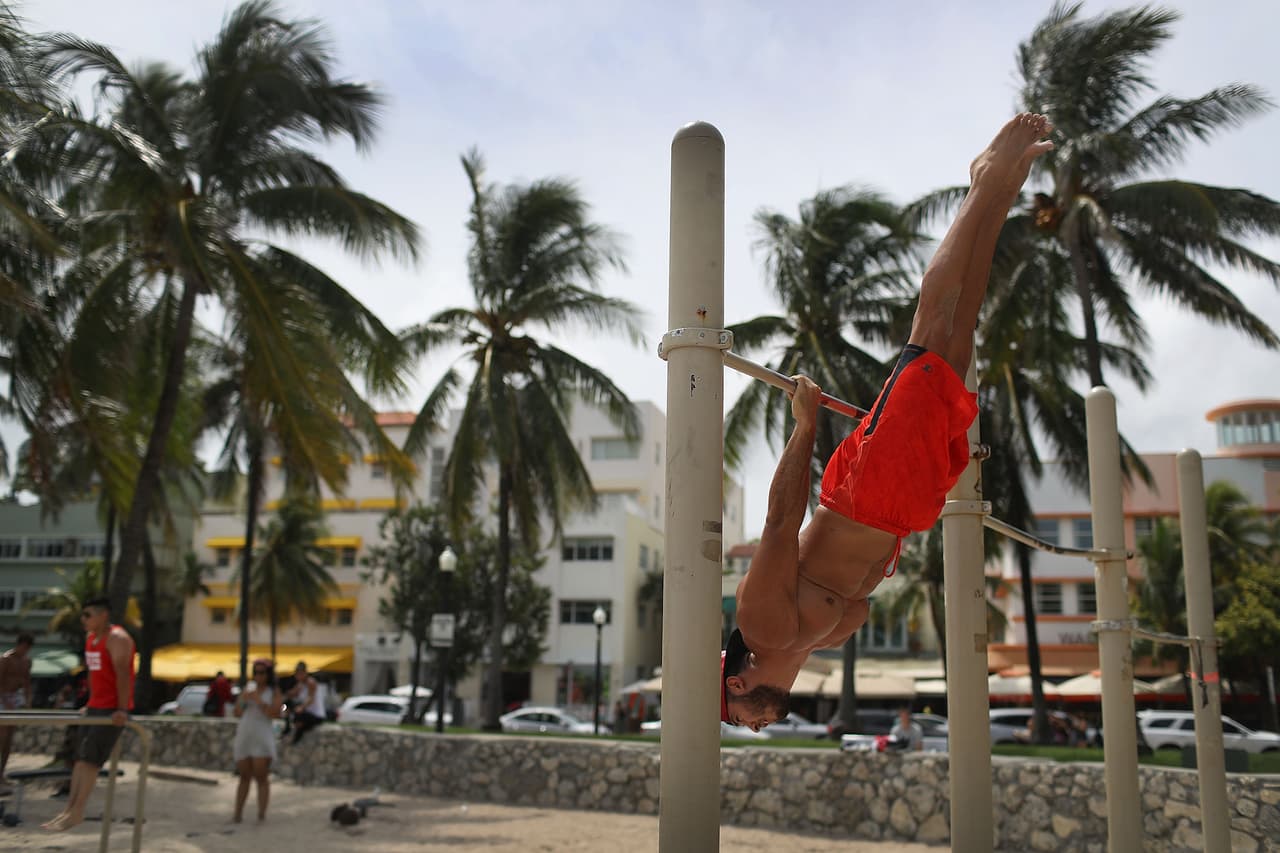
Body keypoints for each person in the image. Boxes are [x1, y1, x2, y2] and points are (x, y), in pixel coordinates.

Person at [722, 114, 1055, 731]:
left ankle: (984, 182)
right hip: (904, 510)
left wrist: (804, 425)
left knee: (933, 330)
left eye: (735, 715)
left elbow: (778, 522)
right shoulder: (816, 642)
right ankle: (1000, 193)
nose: (746, 723)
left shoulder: (764, 627)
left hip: (870, 493)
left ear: (738, 683)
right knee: (959, 332)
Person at [42, 598, 135, 831]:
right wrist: (90, 702)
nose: (83, 619)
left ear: (103, 615)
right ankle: (69, 810)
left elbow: (123, 674)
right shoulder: (91, 638)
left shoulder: (118, 639)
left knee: (90, 761)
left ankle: (78, 811)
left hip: (112, 709)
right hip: (96, 706)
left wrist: (122, 709)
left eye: (87, 614)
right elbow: (93, 674)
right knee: (79, 760)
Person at [233, 659, 282, 823]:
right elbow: (237, 712)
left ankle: (261, 814)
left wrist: (259, 700)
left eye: (261, 672)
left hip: (262, 735)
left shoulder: (273, 692)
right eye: (255, 672)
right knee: (244, 776)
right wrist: (244, 699)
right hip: (246, 733)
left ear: (268, 674)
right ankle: (238, 813)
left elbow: (275, 713)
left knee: (261, 777)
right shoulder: (248, 689)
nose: (258, 676)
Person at [0, 632, 35, 786]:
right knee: (2, 738)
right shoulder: (5, 659)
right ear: (20, 645)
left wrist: (28, 700)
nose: (25, 651)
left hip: (14, 698)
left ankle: (1, 774)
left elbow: (27, 682)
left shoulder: (26, 661)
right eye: (24, 647)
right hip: (3, 698)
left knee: (8, 740)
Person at [284, 661, 325, 744]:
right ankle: (288, 727)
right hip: (306, 713)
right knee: (287, 705)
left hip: (315, 714)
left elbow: (311, 698)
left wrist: (301, 707)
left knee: (299, 715)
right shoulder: (300, 685)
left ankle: (296, 736)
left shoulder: (311, 682)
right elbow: (291, 694)